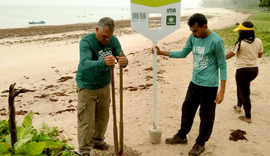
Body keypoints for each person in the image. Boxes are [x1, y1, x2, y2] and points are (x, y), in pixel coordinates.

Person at [152, 13, 227, 156]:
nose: (193, 34)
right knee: (187, 109)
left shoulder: (216, 41)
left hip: (210, 86)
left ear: (205, 26)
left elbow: (222, 65)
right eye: (191, 31)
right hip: (195, 82)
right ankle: (182, 136)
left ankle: (200, 143)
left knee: (206, 116)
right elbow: (182, 53)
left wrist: (222, 90)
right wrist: (161, 52)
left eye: (195, 30)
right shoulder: (193, 38)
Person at [75, 17, 128, 156]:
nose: (107, 40)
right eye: (104, 37)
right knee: (86, 119)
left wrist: (124, 61)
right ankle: (85, 150)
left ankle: (98, 141)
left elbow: (122, 56)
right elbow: (84, 64)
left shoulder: (113, 40)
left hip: (104, 84)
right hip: (87, 85)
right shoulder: (86, 41)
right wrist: (103, 62)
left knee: (103, 117)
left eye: (109, 37)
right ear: (96, 30)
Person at [226, 21, 263, 123]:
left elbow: (229, 55)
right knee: (241, 87)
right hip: (254, 70)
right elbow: (259, 55)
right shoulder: (258, 41)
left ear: (242, 32)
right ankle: (238, 105)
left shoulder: (240, 43)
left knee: (245, 93)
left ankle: (248, 117)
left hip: (242, 71)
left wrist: (218, 59)